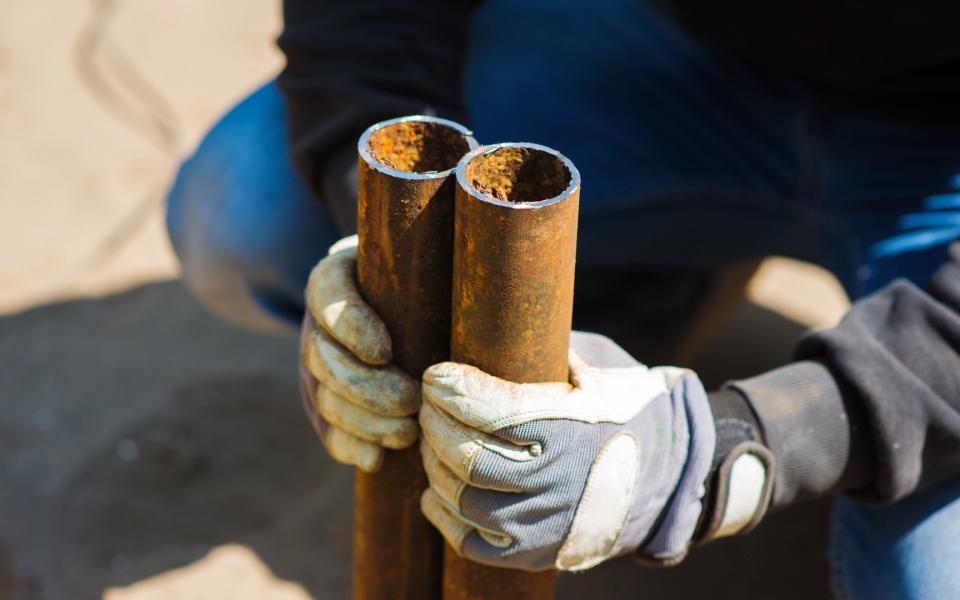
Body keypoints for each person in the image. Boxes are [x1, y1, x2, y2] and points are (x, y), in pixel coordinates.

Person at [166, 0, 960, 597]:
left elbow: (736, 454)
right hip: (682, 47)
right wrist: (374, 234)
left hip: (937, 153)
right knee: (250, 211)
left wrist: (720, 455)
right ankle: (647, 289)